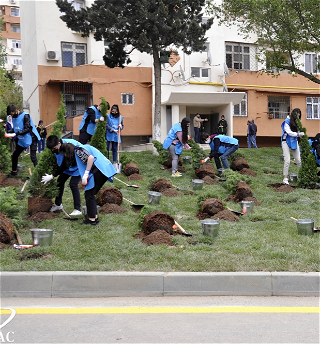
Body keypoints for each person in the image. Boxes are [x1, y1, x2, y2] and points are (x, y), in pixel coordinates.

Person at [59, 142, 117, 225]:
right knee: (91, 194)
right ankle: (94, 218)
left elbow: (90, 158)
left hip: (99, 170)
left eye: (64, 153)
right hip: (103, 169)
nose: (64, 155)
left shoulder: (78, 150)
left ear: (67, 151)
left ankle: (92, 220)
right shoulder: (80, 149)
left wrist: (86, 173)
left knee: (89, 195)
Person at [41, 135, 83, 216]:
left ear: (59, 143)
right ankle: (58, 205)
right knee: (60, 182)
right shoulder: (56, 148)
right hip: (67, 168)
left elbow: (65, 164)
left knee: (73, 184)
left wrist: (52, 175)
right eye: (51, 150)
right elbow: (61, 163)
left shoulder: (69, 146)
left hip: (78, 166)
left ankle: (78, 209)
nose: (53, 151)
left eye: (54, 148)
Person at [4, 104, 40, 177]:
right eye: (11, 115)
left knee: (33, 157)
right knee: (15, 155)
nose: (13, 116)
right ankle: (14, 172)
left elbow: (27, 129)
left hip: (32, 137)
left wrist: (15, 134)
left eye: (13, 114)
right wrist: (8, 132)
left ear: (17, 110)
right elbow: (16, 128)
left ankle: (39, 174)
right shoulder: (14, 117)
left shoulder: (26, 116)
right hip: (22, 138)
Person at [281, 108, 304, 185]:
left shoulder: (297, 122)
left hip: (294, 141)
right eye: (297, 116)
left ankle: (301, 176)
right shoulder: (286, 121)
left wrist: (301, 133)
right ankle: (285, 178)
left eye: (299, 116)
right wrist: (298, 134)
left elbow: (298, 131)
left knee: (298, 160)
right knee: (287, 160)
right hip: (286, 141)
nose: (298, 117)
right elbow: (289, 132)